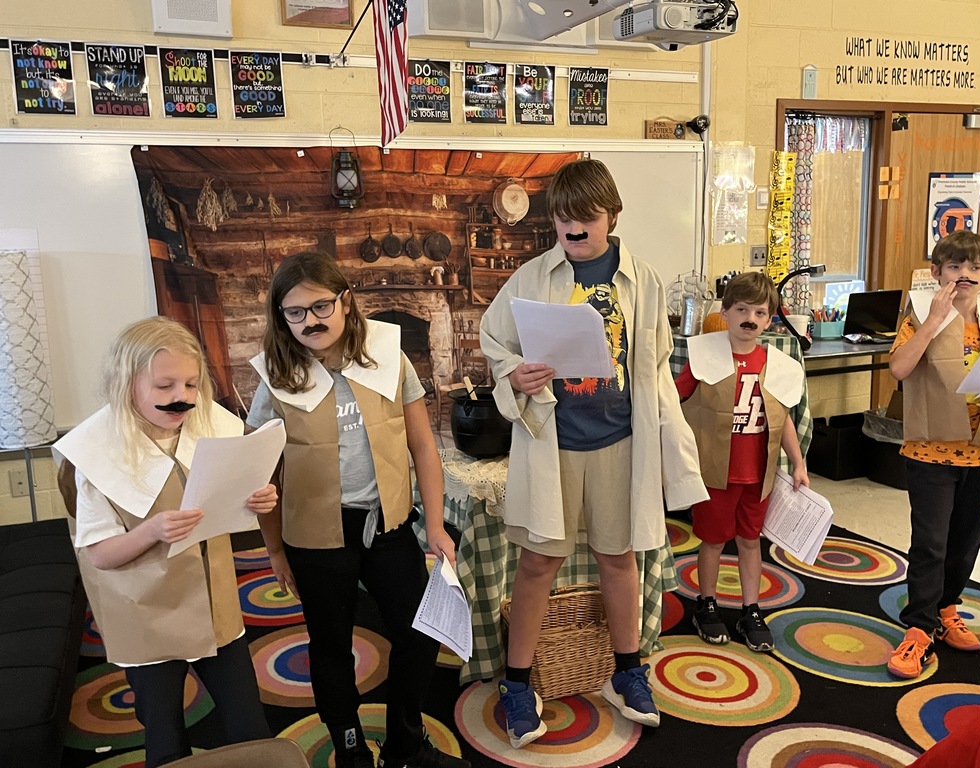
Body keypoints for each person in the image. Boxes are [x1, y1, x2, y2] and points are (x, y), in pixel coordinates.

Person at [479, 158, 708, 748]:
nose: (574, 229)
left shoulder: (644, 280)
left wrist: (674, 448)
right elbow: (494, 340)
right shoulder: (531, 277)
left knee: (618, 556)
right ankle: (517, 682)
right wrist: (514, 374)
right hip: (552, 443)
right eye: (563, 219)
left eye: (587, 217)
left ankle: (626, 672)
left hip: (619, 443)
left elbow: (655, 367)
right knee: (538, 562)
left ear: (612, 217)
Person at [247, 252, 469, 768]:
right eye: (295, 312)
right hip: (316, 536)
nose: (310, 321)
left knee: (418, 634)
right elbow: (260, 472)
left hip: (387, 525)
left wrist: (436, 525)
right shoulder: (276, 378)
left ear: (345, 301)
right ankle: (348, 745)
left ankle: (405, 743)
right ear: (282, 318)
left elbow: (423, 446)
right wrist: (274, 549)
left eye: (320, 306)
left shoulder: (388, 356)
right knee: (331, 644)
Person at [51, 317, 275, 768]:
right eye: (164, 385)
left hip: (215, 608)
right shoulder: (95, 454)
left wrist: (256, 499)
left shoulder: (207, 424)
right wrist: (149, 531)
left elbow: (227, 501)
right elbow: (99, 555)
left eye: (192, 384)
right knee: (166, 737)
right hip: (147, 617)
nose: (182, 396)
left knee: (249, 725)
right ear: (125, 384)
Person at [886, 230, 980, 679]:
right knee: (931, 543)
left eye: (975, 267)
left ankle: (946, 610)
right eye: (955, 266)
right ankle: (918, 628)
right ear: (937, 272)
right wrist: (933, 321)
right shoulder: (920, 313)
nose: (965, 274)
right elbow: (899, 369)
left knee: (965, 542)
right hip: (931, 453)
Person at [675, 271, 808, 653]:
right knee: (713, 541)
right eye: (742, 310)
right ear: (726, 312)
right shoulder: (704, 358)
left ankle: (752, 610)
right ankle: (707, 603)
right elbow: (674, 399)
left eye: (760, 313)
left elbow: (783, 419)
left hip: (757, 475)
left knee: (751, 542)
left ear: (769, 320)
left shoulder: (775, 364)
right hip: (716, 474)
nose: (750, 319)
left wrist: (798, 462)